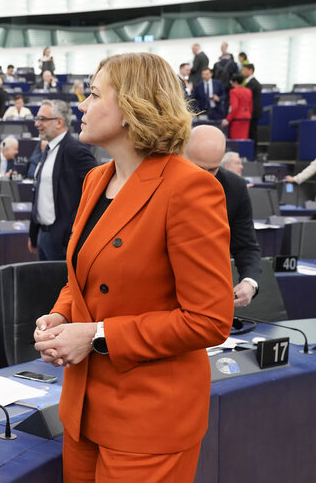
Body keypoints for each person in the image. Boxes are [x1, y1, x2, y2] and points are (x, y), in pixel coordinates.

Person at [33, 52, 233, 483]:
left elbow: (209, 320)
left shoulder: (190, 188)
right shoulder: (95, 180)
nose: (82, 105)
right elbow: (84, 276)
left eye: (93, 93)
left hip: (149, 419)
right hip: (83, 409)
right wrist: (61, 315)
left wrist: (96, 336)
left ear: (131, 107)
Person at [185, 125, 261, 307]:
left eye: (212, 170)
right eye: (196, 168)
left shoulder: (235, 187)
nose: (203, 177)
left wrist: (249, 282)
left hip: (207, 294)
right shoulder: (158, 178)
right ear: (180, 153)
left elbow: (246, 246)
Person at [29, 100, 98, 261]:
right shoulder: (46, 150)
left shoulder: (76, 151)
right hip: (42, 236)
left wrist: (71, 231)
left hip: (63, 240)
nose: (36, 123)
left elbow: (96, 190)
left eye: (42, 119)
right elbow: (39, 194)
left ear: (59, 122)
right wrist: (34, 235)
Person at [222, 73, 253, 139]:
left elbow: (234, 107)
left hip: (237, 119)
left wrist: (228, 119)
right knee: (244, 139)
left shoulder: (233, 91)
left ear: (235, 82)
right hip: (246, 118)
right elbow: (250, 106)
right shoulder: (248, 91)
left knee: (236, 140)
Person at [241, 63, 262, 143]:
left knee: (252, 132)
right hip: (252, 112)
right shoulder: (249, 82)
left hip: (253, 112)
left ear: (250, 70)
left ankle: (254, 153)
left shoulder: (253, 83)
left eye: (244, 70)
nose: (242, 72)